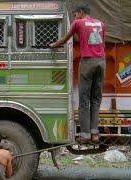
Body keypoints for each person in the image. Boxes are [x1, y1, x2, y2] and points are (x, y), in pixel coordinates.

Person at [50, 4, 106, 143]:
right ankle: (95, 134)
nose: (74, 17)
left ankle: (85, 135)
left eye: (75, 14)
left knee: (84, 99)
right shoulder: (101, 23)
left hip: (88, 62)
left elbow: (65, 39)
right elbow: (101, 43)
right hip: (101, 61)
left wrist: (53, 45)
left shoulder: (78, 23)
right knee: (96, 99)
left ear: (80, 12)